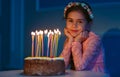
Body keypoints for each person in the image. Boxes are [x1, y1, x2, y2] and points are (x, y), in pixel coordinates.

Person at [60, 2, 107, 73]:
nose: (74, 25)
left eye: (80, 22)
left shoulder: (94, 40)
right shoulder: (70, 38)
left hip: (94, 74)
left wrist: (77, 42)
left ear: (88, 24)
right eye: (70, 21)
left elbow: (80, 67)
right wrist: (70, 41)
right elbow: (61, 66)